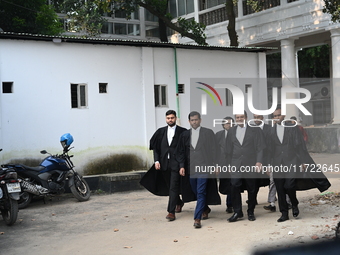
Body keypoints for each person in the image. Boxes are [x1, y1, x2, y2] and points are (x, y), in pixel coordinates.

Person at [268, 107, 331, 222]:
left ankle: (294, 203)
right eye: (274, 116)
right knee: (280, 188)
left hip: (291, 161)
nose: (277, 117)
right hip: (277, 163)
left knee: (290, 185)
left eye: (279, 115)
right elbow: (269, 149)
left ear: (284, 115)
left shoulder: (292, 128)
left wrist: (303, 161)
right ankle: (284, 213)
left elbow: (300, 146)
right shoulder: (271, 130)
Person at [140, 110, 189, 221]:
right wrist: (156, 161)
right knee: (169, 187)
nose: (170, 120)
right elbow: (156, 148)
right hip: (164, 165)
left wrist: (182, 165)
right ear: (166, 119)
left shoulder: (183, 132)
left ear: (176, 118)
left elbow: (184, 151)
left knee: (173, 187)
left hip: (176, 165)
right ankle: (179, 202)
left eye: (172, 118)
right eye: (168, 118)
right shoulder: (160, 132)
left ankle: (171, 212)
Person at [176, 111, 221, 228]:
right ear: (189, 121)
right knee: (195, 191)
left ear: (200, 120)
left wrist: (216, 164)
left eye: (196, 120)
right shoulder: (185, 135)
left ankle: (197, 218)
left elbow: (214, 150)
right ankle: (205, 208)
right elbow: (180, 152)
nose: (194, 122)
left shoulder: (208, 133)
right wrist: (181, 166)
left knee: (201, 192)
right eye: (192, 120)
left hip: (204, 167)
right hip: (190, 168)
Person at [225, 111, 265, 222]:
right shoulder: (231, 131)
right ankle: (238, 212)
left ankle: (250, 211)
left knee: (252, 188)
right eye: (237, 117)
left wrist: (259, 162)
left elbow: (260, 147)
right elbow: (228, 150)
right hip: (236, 163)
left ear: (246, 117)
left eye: (242, 117)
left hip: (251, 163)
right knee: (234, 186)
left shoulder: (255, 130)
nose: (239, 119)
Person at [215, 116, 234, 213]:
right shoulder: (218, 135)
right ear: (223, 125)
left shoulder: (236, 134)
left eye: (231, 123)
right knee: (224, 185)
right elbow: (215, 151)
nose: (229, 125)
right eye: (227, 123)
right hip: (222, 163)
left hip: (233, 163)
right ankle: (229, 202)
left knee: (233, 184)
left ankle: (230, 204)